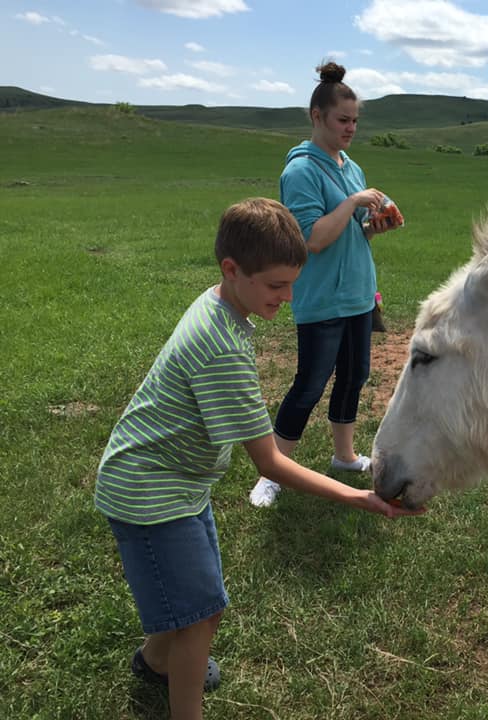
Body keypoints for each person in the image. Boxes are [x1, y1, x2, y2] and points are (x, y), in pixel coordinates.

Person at [95, 197, 422, 720]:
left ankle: (158, 661)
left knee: (192, 602)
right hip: (150, 489)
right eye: (275, 286)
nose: (288, 298)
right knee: (202, 614)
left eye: (293, 283)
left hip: (173, 480)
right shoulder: (220, 344)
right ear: (232, 269)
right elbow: (269, 463)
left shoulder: (218, 301)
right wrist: (357, 496)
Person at [249, 60, 400, 508]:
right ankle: (271, 474)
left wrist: (375, 225)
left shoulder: (349, 165)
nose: (351, 128)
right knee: (310, 383)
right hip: (322, 296)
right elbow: (312, 238)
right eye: (343, 120)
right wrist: (355, 200)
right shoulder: (301, 171)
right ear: (317, 116)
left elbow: (352, 230)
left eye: (355, 120)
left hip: (357, 291)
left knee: (354, 376)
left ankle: (344, 455)